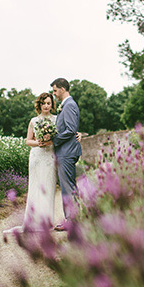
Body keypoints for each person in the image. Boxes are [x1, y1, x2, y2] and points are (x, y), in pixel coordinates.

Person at [4, 92, 57, 234]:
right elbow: (28, 141)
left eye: (48, 103)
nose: (46, 106)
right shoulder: (33, 121)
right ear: (39, 105)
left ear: (52, 105)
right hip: (37, 156)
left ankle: (46, 221)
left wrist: (50, 141)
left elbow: (60, 138)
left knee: (48, 186)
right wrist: (38, 142)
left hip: (49, 157)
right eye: (44, 103)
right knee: (35, 187)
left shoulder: (56, 120)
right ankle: (33, 221)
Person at [50, 78, 82, 231]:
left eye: (55, 90)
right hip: (66, 151)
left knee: (67, 187)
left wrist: (53, 139)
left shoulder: (69, 105)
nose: (54, 94)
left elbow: (70, 130)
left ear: (62, 89)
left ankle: (71, 221)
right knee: (69, 186)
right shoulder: (68, 105)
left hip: (66, 152)